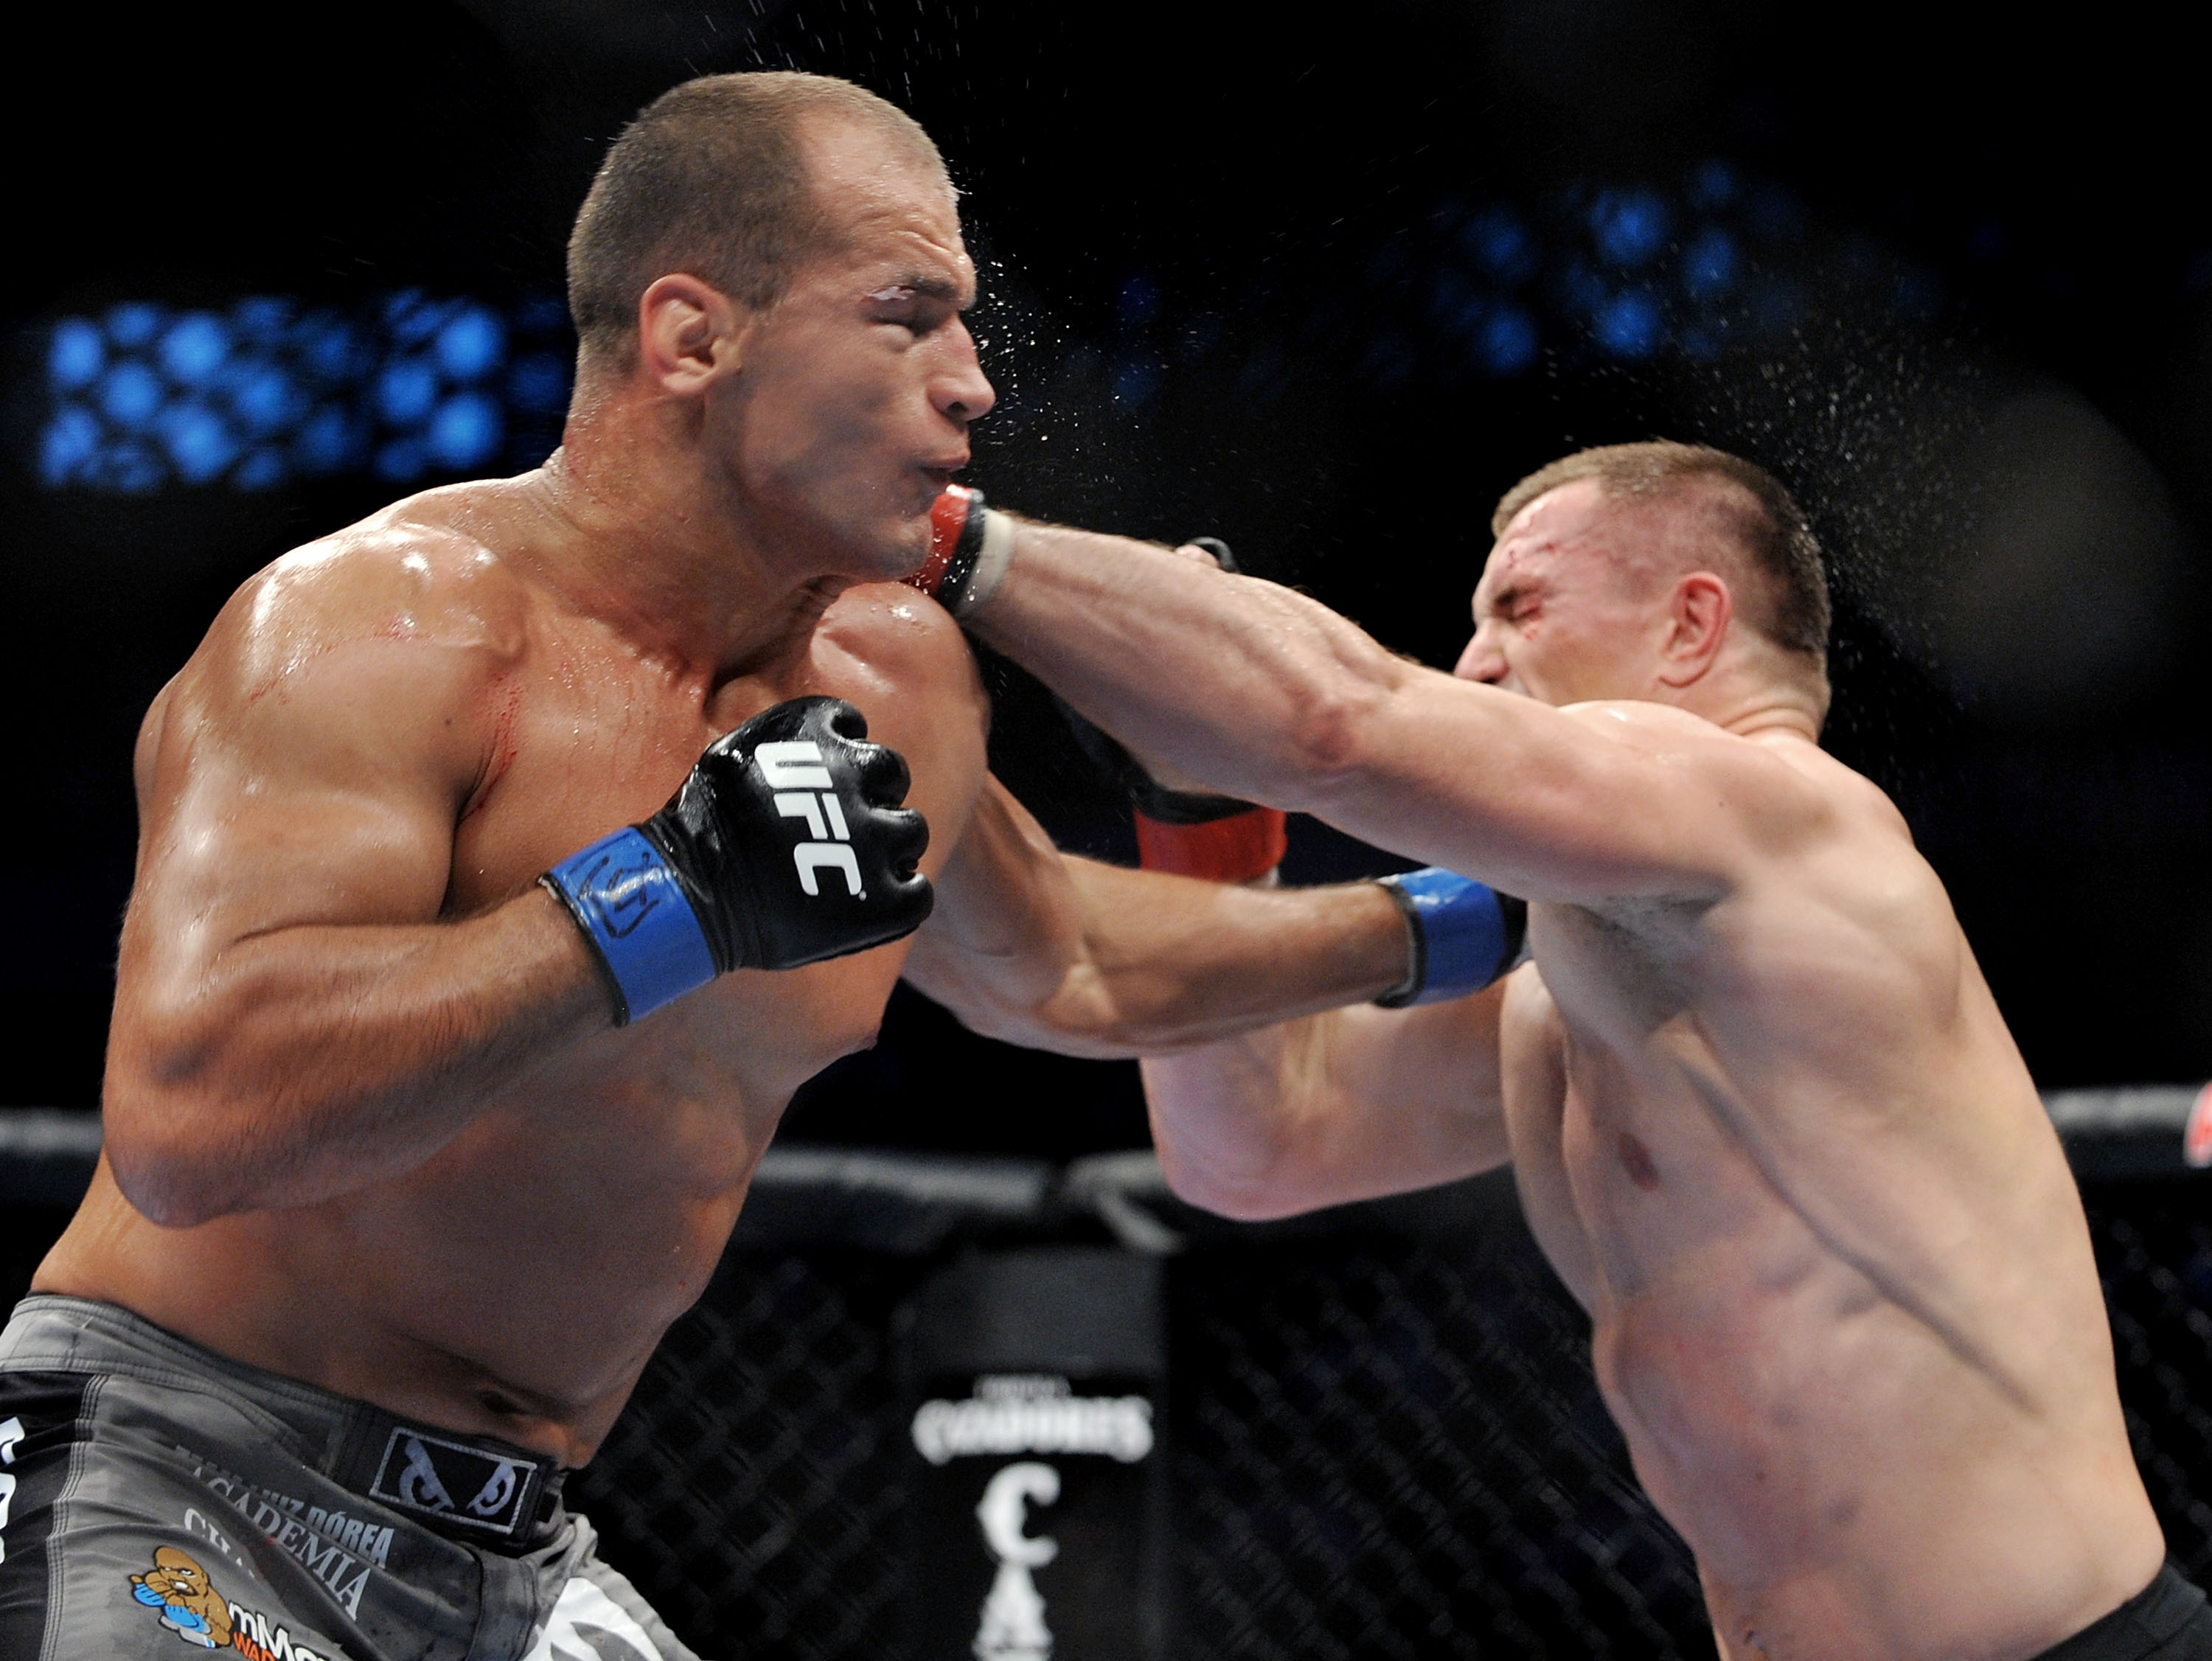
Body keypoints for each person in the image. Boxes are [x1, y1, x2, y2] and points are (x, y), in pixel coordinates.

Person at [0, 72, 1398, 1661]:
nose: (974, 385)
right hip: (188, 1485)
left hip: (518, 1557)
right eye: (906, 317)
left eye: (966, 323)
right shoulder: (383, 628)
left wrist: (1485, 912)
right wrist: (658, 898)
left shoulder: (888, 680)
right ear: (690, 336)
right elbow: (192, 1123)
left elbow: (1072, 956)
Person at [905, 442, 2211, 1660]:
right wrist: (1201, 812)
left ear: (1692, 625)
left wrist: (933, 534)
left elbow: (1339, 723)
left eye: (1521, 607)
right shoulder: (1576, 973)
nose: (1474, 663)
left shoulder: (1787, 818)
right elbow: (1256, 1143)